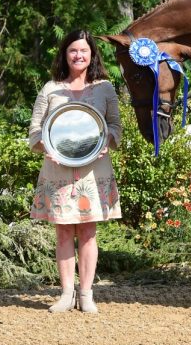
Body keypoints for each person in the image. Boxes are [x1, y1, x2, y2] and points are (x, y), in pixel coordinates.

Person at [28, 29, 122, 313]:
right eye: (73, 50)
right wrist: (46, 147)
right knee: (63, 233)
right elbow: (35, 131)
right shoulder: (50, 89)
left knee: (89, 231)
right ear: (65, 54)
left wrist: (107, 140)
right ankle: (66, 294)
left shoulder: (105, 88)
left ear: (92, 54)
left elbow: (115, 127)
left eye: (83, 50)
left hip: (94, 172)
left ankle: (86, 294)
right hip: (58, 172)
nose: (78, 55)